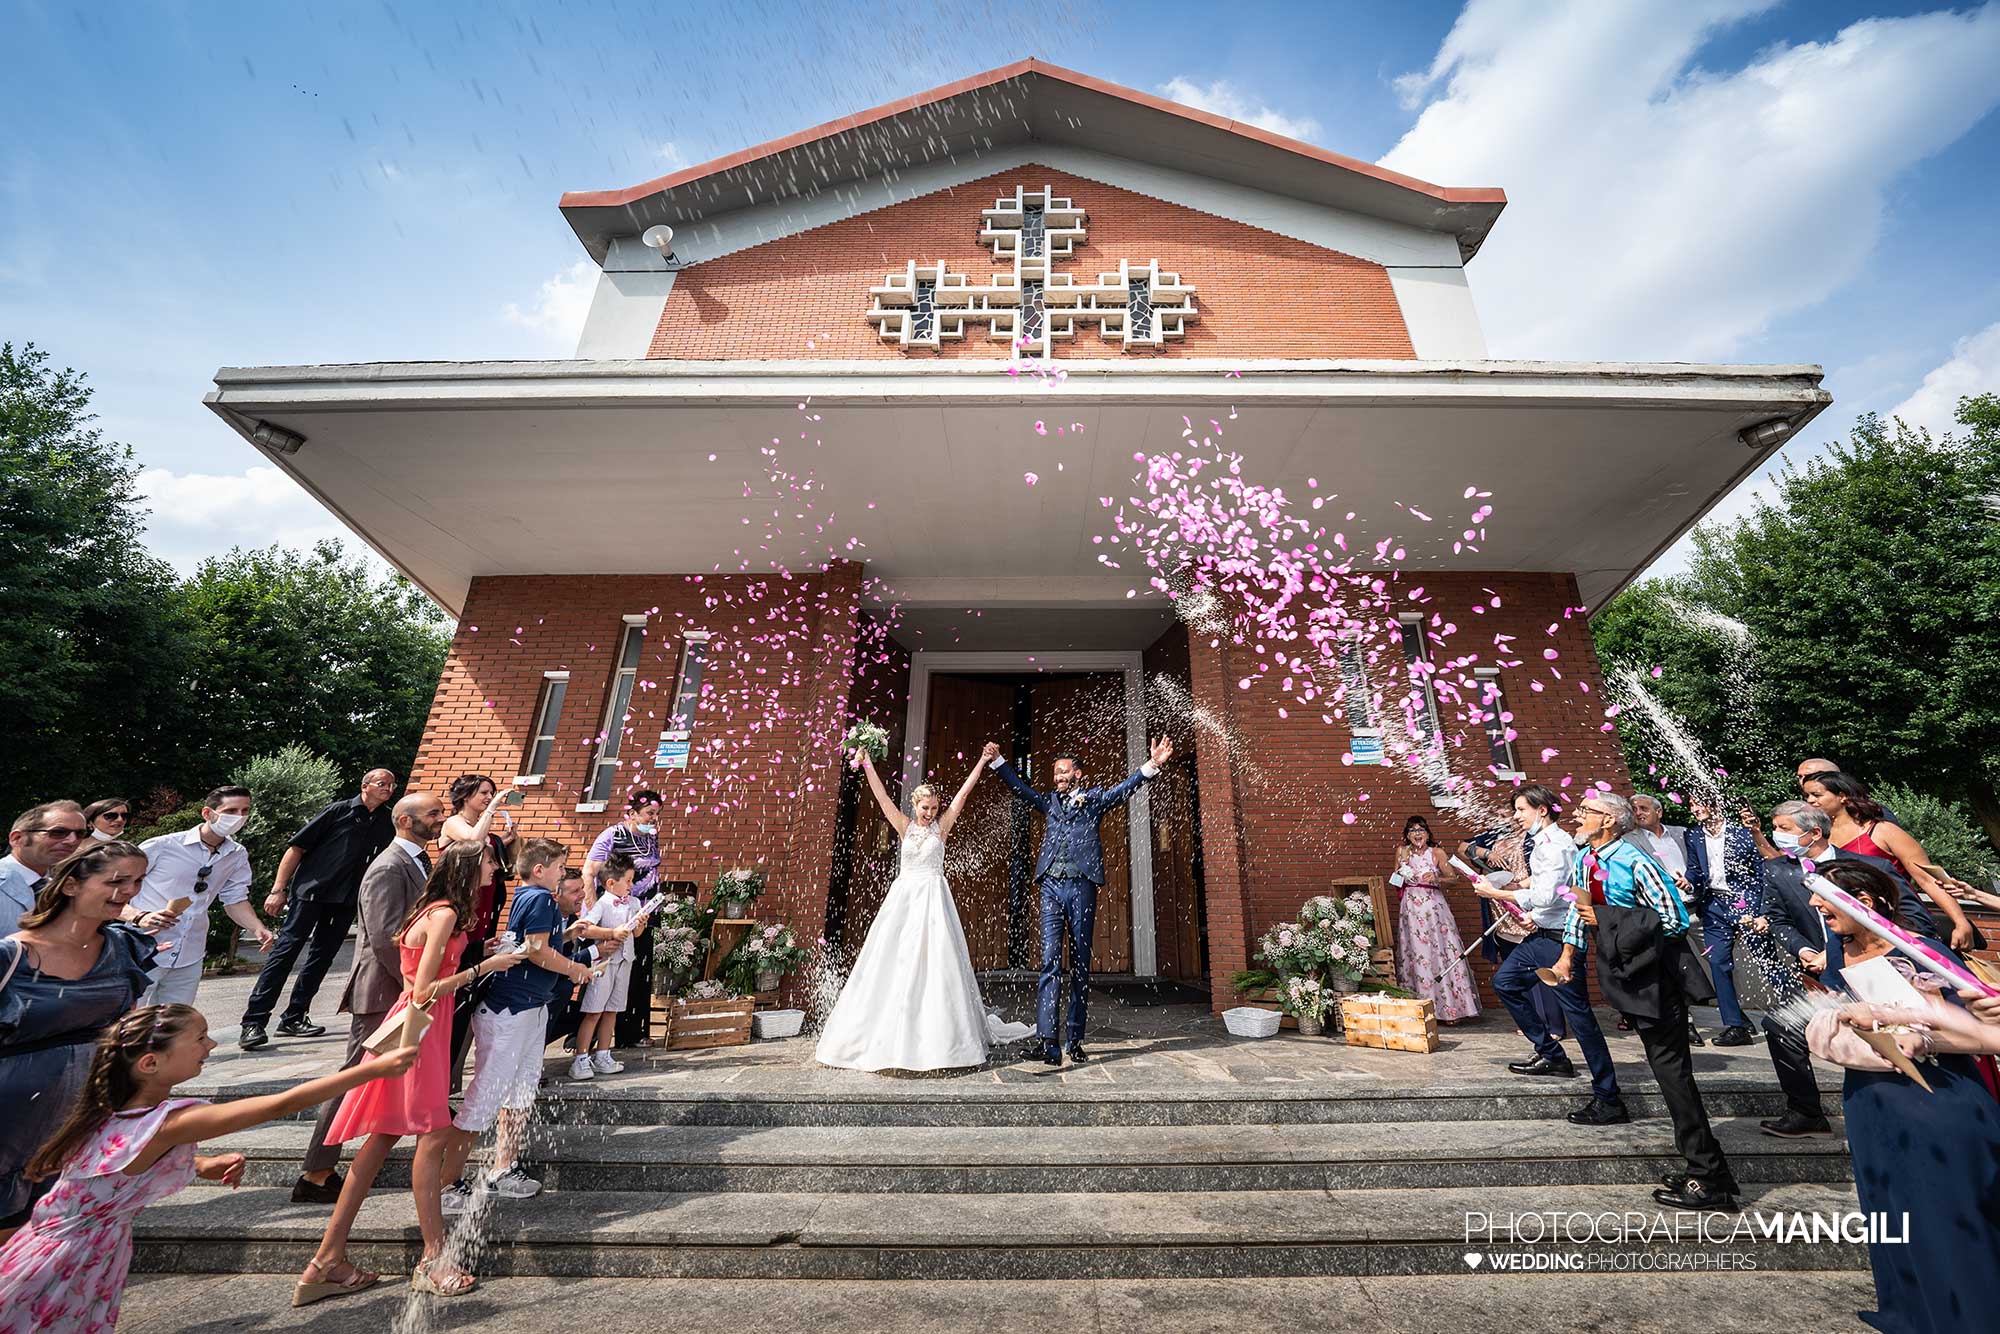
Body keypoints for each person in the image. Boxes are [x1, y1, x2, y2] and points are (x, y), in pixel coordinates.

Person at [0, 1004, 417, 1326]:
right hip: (67, 1264)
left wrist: (201, 1165)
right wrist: (371, 1070)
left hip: (56, 1251)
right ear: (151, 1063)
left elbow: (114, 1168)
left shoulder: (108, 1111)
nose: (212, 1045)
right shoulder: (167, 1122)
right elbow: (281, 1104)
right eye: (200, 1038)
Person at [307, 841, 526, 1300]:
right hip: (421, 1029)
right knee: (433, 1135)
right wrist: (485, 966)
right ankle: (433, 1256)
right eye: (489, 862)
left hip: (412, 1026)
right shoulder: (444, 914)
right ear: (468, 868)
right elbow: (424, 989)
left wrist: (473, 953)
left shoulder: (433, 909)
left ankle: (327, 1259)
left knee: (380, 1141)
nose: (495, 869)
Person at [1803, 859, 2000, 1334]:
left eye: (1823, 898)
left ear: (1863, 903)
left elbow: (1981, 1033)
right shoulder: (1836, 953)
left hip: (1937, 1099)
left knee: (1946, 1220)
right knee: (1891, 1213)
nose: (1814, 905)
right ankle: (1911, 1310)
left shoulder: (1919, 951)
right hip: (1870, 1101)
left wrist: (1923, 1039)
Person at [1553, 793, 1739, 1210]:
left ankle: (1708, 1178)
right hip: (1627, 977)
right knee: (1667, 1073)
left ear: (1609, 821)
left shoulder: (1636, 860)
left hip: (1657, 978)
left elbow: (1673, 918)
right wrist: (1567, 956)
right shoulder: (1587, 859)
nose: (1577, 816)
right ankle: (1708, 1169)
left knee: (1673, 1075)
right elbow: (1576, 911)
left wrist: (1605, 920)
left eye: (1586, 812)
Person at [817, 745, 1036, 1072]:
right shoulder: (904, 825)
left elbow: (964, 793)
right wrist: (866, 765)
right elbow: (880, 798)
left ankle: (943, 1040)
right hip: (904, 899)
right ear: (915, 805)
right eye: (925, 807)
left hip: (934, 899)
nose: (929, 813)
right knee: (893, 959)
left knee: (938, 963)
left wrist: (980, 761)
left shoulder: (942, 828)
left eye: (934, 808)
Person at [0, 843, 158, 1244]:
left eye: (137, 881)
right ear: (71, 885)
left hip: (81, 1121)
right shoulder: (12, 956)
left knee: (49, 1244)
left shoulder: (124, 947)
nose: (129, 891)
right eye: (116, 880)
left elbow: (125, 1029)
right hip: (10, 1123)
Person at [290, 792, 442, 1205]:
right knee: (352, 1075)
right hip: (381, 989)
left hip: (399, 987)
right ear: (407, 821)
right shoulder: (388, 866)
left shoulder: (416, 862)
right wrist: (415, 983)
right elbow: (384, 935)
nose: (440, 819)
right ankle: (316, 1171)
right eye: (433, 814)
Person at [990, 736, 1174, 1066]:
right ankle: (1048, 1043)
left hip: (1081, 888)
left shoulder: (1093, 799)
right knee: (1049, 964)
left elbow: (1125, 788)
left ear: (1077, 774)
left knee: (1079, 966)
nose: (1058, 778)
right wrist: (999, 762)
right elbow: (1021, 790)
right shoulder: (1048, 801)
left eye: (1063, 772)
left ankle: (1075, 1039)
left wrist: (1153, 764)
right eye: (1055, 774)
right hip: (1050, 887)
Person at [438, 838, 592, 1213]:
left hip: (530, 1008)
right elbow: (537, 951)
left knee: (521, 1091)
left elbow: (532, 943)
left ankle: (503, 1167)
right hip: (511, 1010)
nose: (561, 875)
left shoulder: (533, 898)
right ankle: (447, 1182)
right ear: (539, 870)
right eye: (559, 868)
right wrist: (575, 968)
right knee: (487, 1093)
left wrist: (567, 936)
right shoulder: (539, 898)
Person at [1478, 785, 1623, 1119]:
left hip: (1558, 941)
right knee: (1505, 983)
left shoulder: (1555, 846)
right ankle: (1551, 1054)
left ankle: (1608, 1096)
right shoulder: (1544, 844)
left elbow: (1546, 896)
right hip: (1542, 933)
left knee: (1580, 1016)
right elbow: (1551, 891)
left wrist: (1495, 893)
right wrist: (1532, 913)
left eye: (1521, 810)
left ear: (1541, 810)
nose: (1516, 816)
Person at [238, 769, 398, 1051]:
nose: (388, 788)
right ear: (365, 785)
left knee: (322, 957)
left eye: (392, 785)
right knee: (286, 952)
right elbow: (296, 848)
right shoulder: (338, 811)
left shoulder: (387, 821)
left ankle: (295, 1016)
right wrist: (278, 888)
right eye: (382, 783)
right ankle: (254, 1021)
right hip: (311, 892)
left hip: (347, 899)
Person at [1746, 801, 1842, 1138]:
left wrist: (1834, 953)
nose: (1777, 835)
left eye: (1785, 828)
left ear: (1814, 832)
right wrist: (1803, 949)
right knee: (1780, 1025)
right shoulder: (1778, 871)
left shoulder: (1860, 865)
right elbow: (1778, 919)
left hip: (1864, 971)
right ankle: (1805, 1111)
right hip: (1815, 974)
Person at [125, 787, 271, 1006]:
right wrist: (139, 916)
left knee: (174, 1024)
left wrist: (256, 927)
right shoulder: (161, 846)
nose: (239, 817)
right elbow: (112, 893)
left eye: (244, 811)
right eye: (231, 810)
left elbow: (235, 899)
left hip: (189, 953)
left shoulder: (237, 854)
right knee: (130, 1021)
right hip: (144, 947)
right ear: (207, 813)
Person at [1802, 771, 1975, 950]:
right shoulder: (1818, 840)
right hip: (1852, 933)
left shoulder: (1883, 831)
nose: (1810, 801)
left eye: (1816, 795)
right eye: (1806, 796)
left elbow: (1928, 878)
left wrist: (1960, 921)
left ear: (1842, 796)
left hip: (1902, 923)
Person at [439, 775, 519, 1089]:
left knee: (470, 1000)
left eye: (492, 794)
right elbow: (473, 842)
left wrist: (506, 843)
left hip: (481, 911)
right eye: (484, 793)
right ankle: (444, 1076)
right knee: (458, 996)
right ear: (465, 795)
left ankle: (454, 1075)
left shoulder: (485, 830)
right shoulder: (454, 823)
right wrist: (495, 810)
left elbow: (488, 850)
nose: (489, 797)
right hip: (461, 910)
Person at [583, 790, 663, 1049]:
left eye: (657, 814)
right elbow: (589, 873)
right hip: (610, 919)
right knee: (601, 975)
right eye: (649, 813)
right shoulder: (612, 835)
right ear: (632, 813)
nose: (654, 819)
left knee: (638, 972)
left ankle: (631, 1033)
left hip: (640, 914)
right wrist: (596, 914)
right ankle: (586, 1037)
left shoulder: (651, 838)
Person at [1681, 797, 1762, 1047]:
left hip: (1748, 905)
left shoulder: (1743, 833)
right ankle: (1735, 1025)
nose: (1694, 809)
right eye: (1691, 804)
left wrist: (1759, 910)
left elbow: (1760, 872)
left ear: (1715, 804)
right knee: (1718, 963)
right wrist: (1688, 882)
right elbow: (1695, 869)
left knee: (1766, 957)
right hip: (1715, 906)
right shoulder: (1693, 835)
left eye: (1699, 803)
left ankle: (1800, 1017)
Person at [1391, 816, 1479, 1023]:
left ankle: (1450, 1010)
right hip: (1411, 909)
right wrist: (1399, 873)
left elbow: (1454, 879)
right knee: (1415, 953)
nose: (1417, 833)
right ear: (1407, 835)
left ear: (1428, 833)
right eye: (1412, 830)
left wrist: (1437, 878)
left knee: (1440, 951)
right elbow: (1395, 880)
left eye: (1421, 829)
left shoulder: (1436, 853)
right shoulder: (1402, 852)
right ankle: (1419, 1008)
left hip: (1433, 908)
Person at [571, 852, 647, 1080]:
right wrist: (610, 933)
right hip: (604, 964)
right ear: (611, 883)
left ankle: (603, 1054)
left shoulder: (633, 902)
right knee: (594, 1010)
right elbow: (585, 928)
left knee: (612, 1010)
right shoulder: (602, 904)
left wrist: (640, 923)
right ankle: (581, 1057)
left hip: (624, 961)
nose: (631, 886)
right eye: (629, 881)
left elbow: (636, 933)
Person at [1, 803, 87, 938]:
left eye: (80, 833)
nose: (72, 841)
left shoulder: (63, 888)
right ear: (17, 838)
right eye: (58, 832)